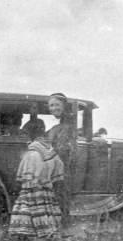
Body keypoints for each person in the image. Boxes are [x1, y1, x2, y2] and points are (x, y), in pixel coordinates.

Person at [9, 119, 64, 240]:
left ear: (31, 134)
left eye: (26, 134)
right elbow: (58, 168)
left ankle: (26, 239)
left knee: (26, 213)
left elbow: (27, 174)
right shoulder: (50, 150)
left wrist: (30, 182)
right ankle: (48, 237)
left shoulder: (32, 152)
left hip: (32, 188)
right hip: (47, 189)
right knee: (46, 214)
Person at [46, 93, 76, 226]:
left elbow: (62, 147)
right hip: (58, 162)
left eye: (57, 104)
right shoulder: (61, 124)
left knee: (61, 191)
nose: (53, 108)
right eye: (51, 105)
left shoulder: (67, 123)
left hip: (62, 162)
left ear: (64, 106)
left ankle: (62, 224)